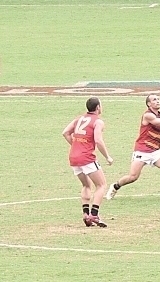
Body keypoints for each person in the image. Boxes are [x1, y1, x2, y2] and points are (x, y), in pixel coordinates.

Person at [62, 97, 114, 227]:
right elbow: (98, 140)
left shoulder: (78, 119)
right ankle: (94, 215)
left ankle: (86, 214)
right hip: (87, 158)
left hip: (74, 157)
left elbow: (65, 133)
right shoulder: (98, 122)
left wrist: (75, 145)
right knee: (101, 185)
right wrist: (108, 157)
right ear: (98, 107)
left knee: (86, 186)